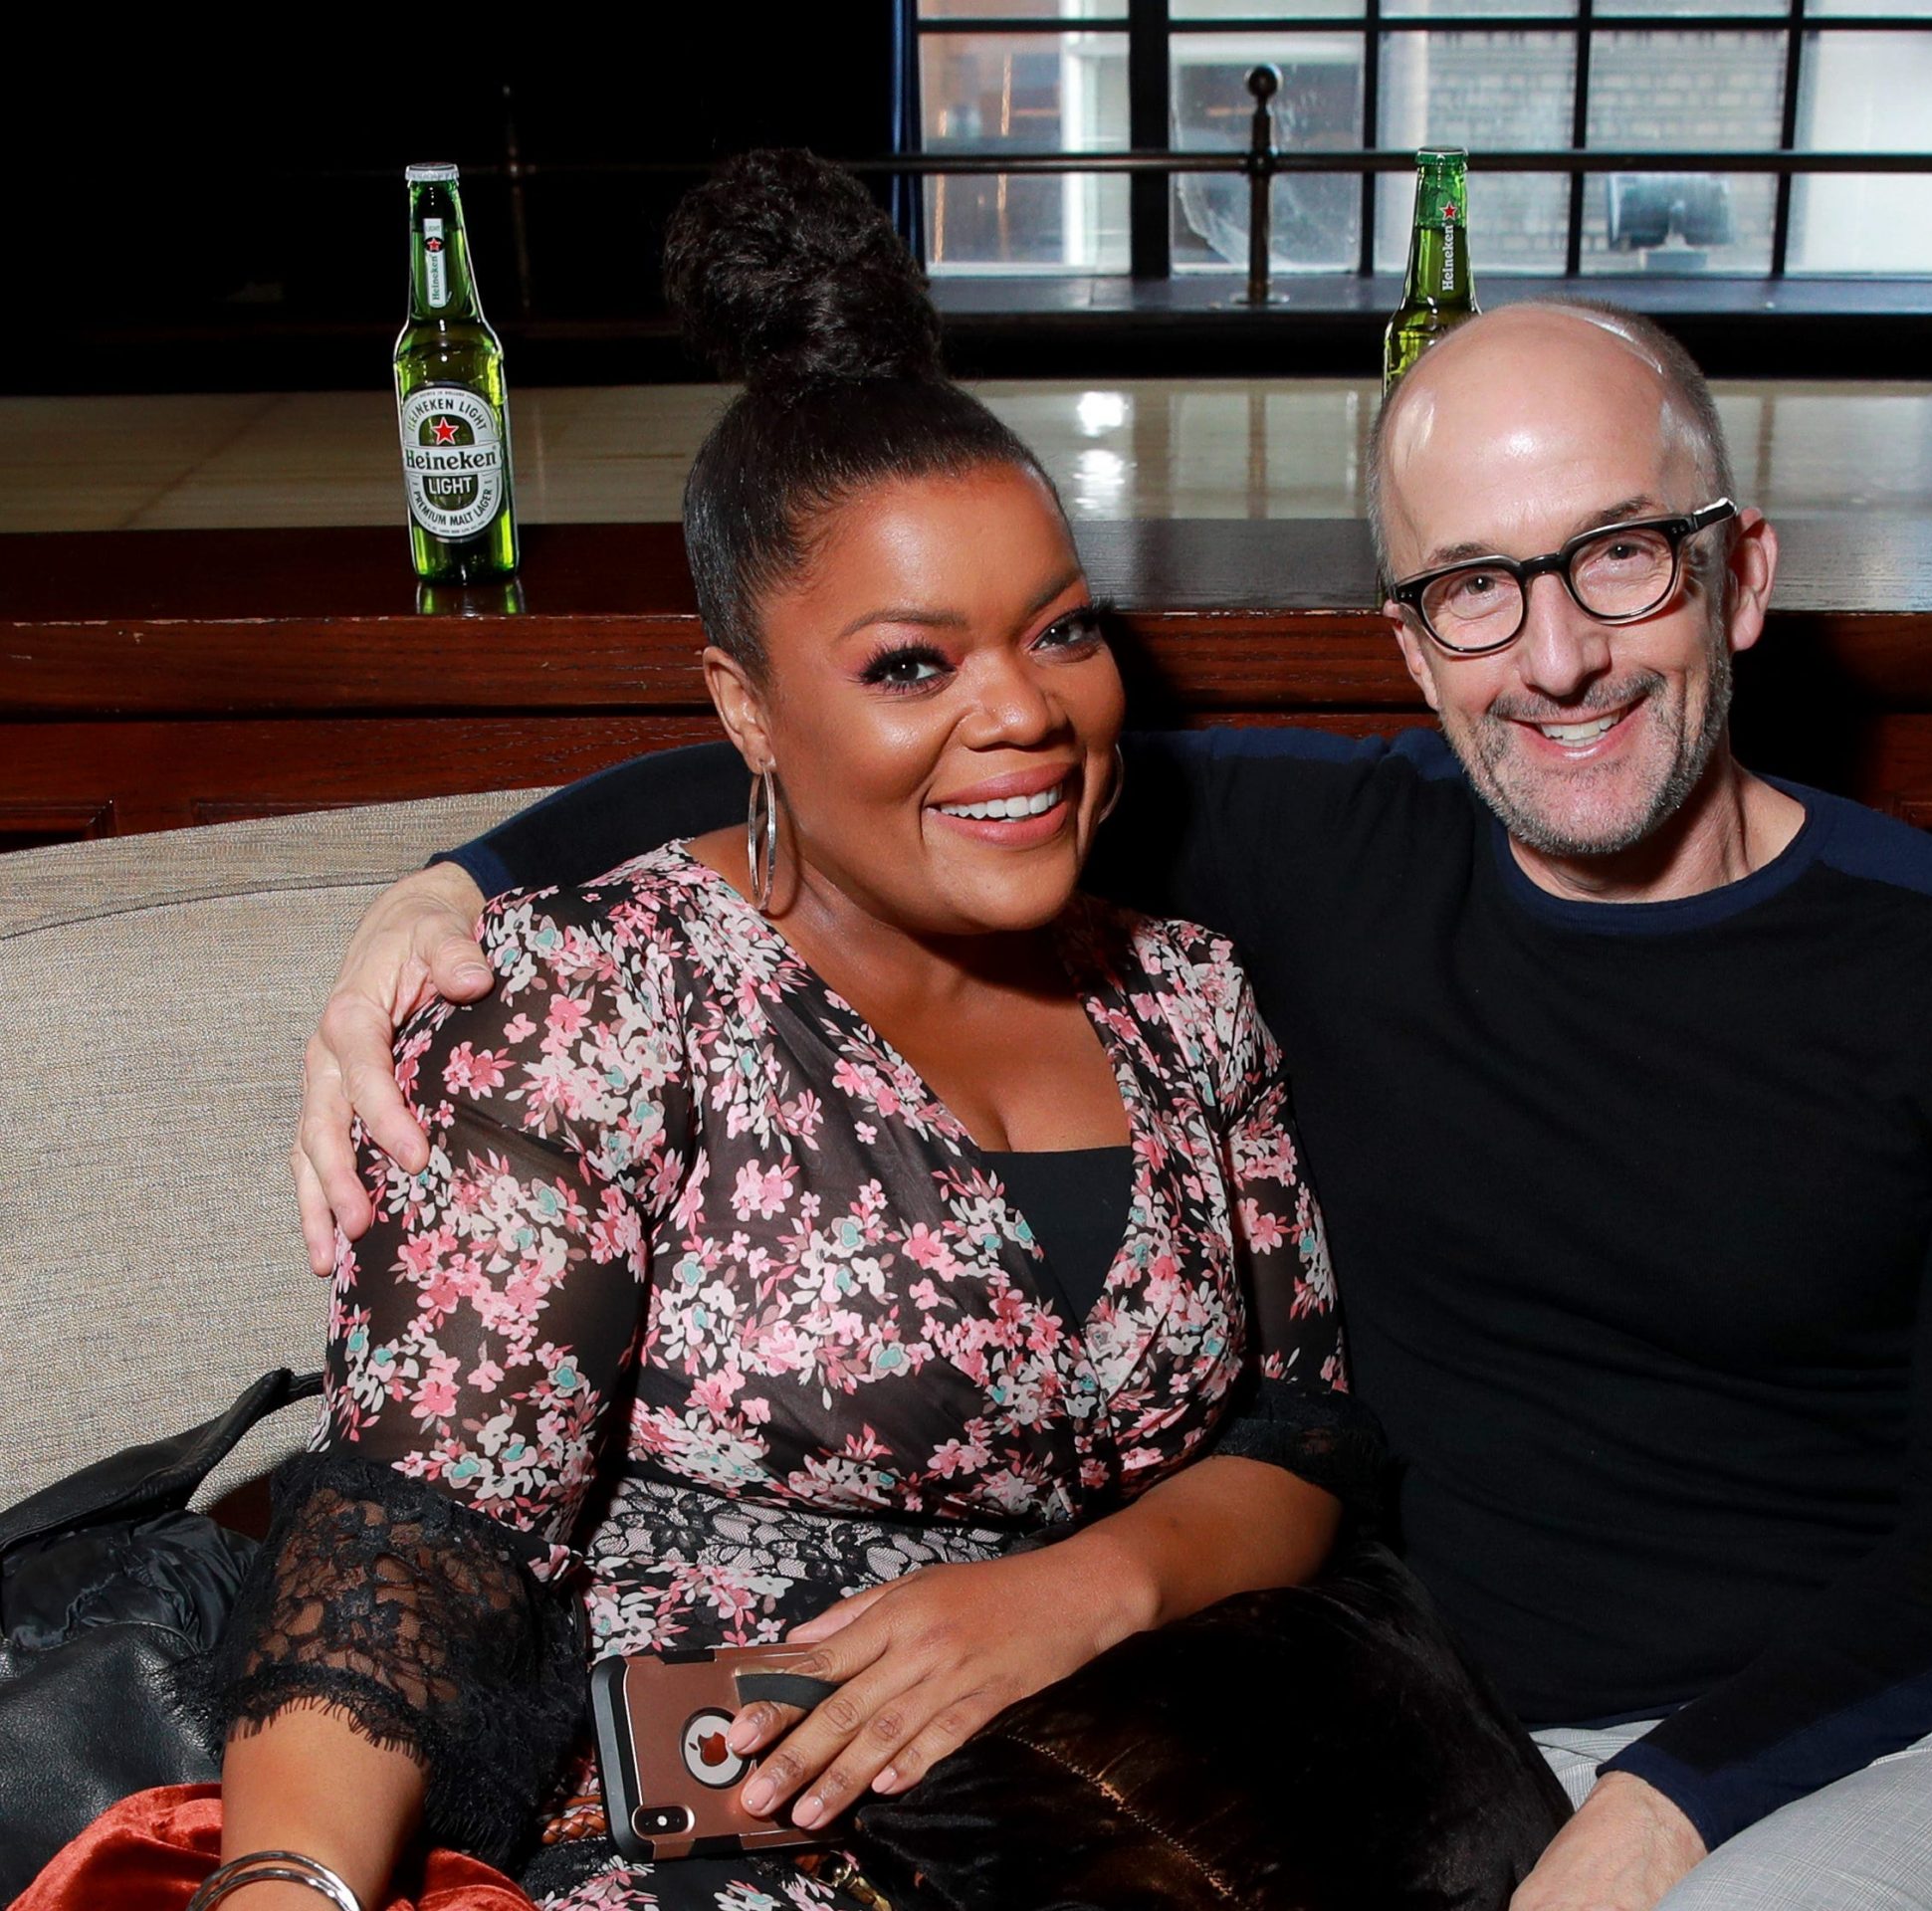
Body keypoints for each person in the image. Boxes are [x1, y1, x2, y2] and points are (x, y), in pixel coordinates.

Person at [301, 302, 1932, 1908]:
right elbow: (866, 757)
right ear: (1408, 638)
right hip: (1447, 1744)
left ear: (1742, 570)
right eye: (1474, 588)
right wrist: (452, 891)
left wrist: (1651, 1817)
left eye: (1624, 555)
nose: (1556, 656)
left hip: (1931, 1727)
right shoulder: (1337, 854)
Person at [177, 151, 1367, 1911]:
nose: (1024, 712)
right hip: (718, 1847)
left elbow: (1299, 1435)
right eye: (911, 665)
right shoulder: (591, 1002)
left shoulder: (1189, 998)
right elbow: (424, 1526)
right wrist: (289, 1881)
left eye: (1061, 632)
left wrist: (1077, 1585)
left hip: (1109, 1813)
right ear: (742, 700)